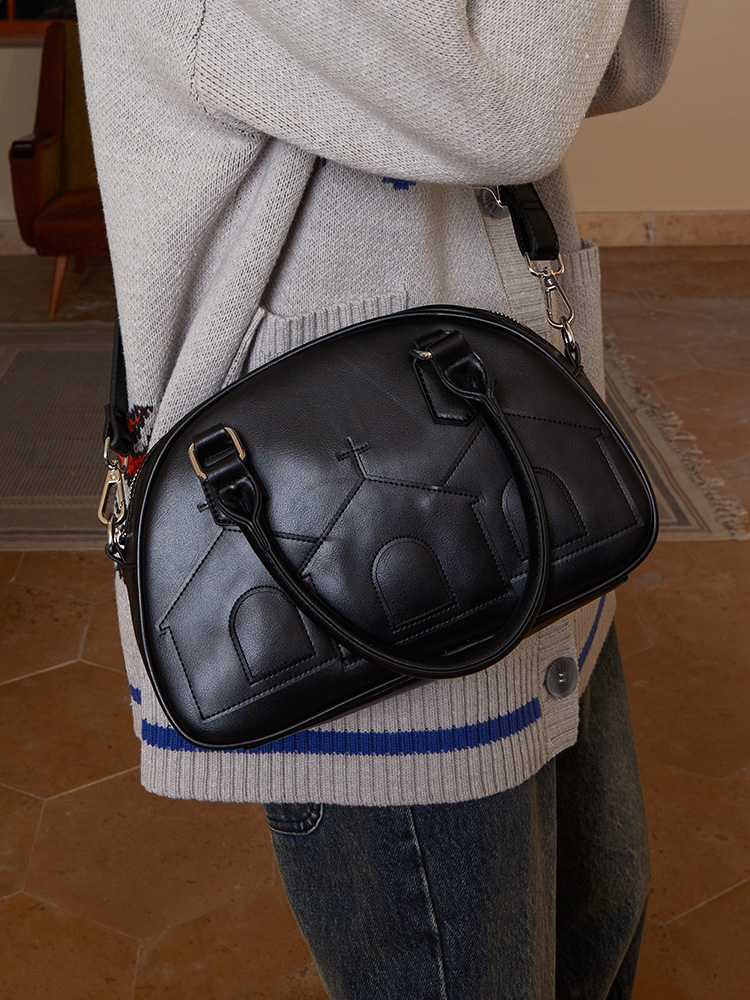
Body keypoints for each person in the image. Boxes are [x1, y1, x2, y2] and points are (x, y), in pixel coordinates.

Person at [76, 2, 686, 996]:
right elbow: (512, 103)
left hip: (515, 488)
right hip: (340, 559)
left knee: (596, 931)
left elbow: (614, 62)